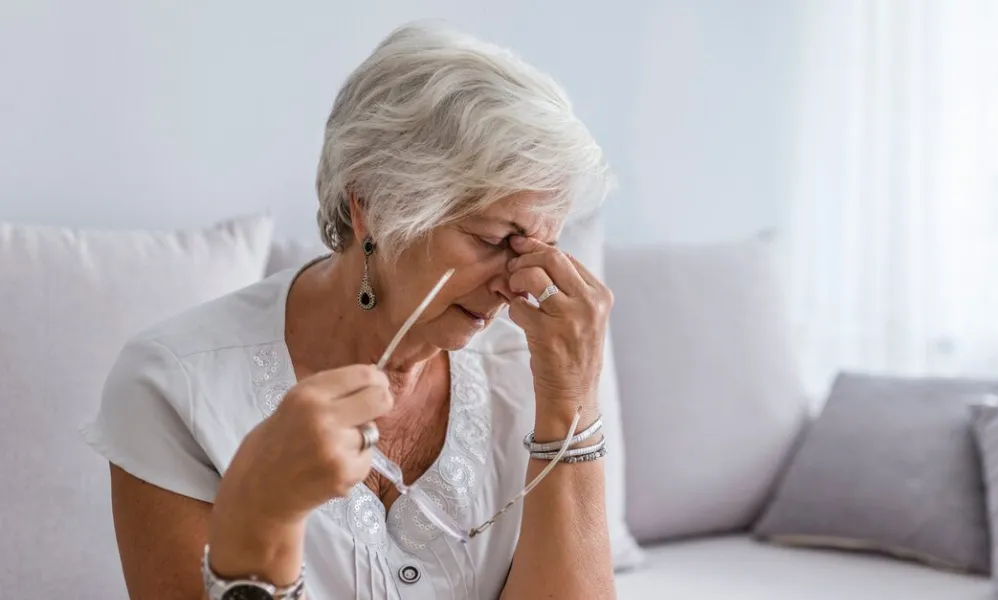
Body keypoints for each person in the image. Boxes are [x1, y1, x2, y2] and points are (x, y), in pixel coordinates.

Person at [83, 22, 616, 600]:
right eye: (492, 240)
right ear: (373, 207)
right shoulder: (175, 388)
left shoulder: (530, 363)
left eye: (541, 248)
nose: (518, 285)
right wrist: (263, 519)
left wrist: (571, 402)